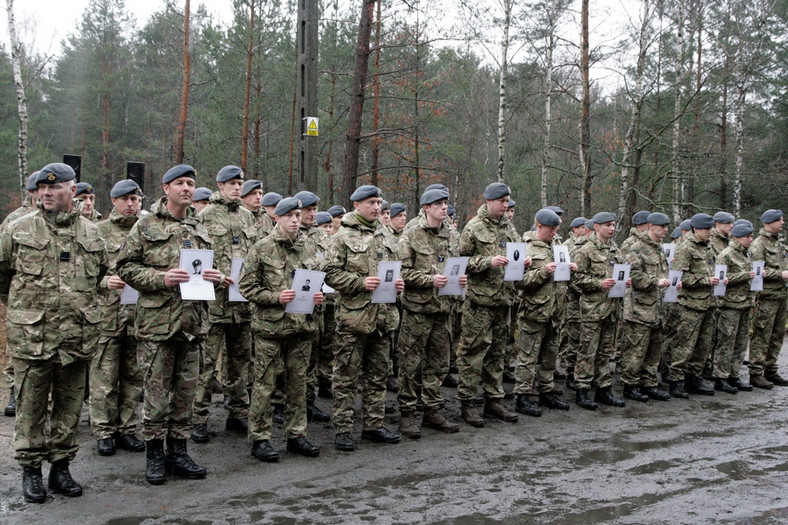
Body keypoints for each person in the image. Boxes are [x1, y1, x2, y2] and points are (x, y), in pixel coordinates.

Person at [0, 162, 108, 503]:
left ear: (71, 192)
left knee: (69, 405)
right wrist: (25, 310)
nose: (46, 193)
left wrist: (89, 310)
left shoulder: (92, 233)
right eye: (43, 188)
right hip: (33, 337)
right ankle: (31, 471)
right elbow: (3, 276)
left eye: (55, 188)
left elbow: (104, 277)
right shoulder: (19, 230)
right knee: (31, 407)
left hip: (76, 336)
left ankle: (61, 468)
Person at [116, 164, 223, 485]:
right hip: (157, 325)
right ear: (166, 188)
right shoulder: (145, 225)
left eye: (191, 183)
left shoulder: (200, 228)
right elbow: (125, 266)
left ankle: (179, 452)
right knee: (156, 393)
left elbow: (205, 271)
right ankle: (155, 455)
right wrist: (159, 278)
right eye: (180, 183)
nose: (187, 188)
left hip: (193, 324)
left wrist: (216, 279)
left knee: (185, 393)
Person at [239, 197, 323, 462]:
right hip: (270, 329)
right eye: (290, 215)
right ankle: (260, 438)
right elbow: (247, 287)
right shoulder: (262, 248)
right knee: (264, 385)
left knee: (298, 386)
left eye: (298, 215)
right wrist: (276, 297)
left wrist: (319, 297)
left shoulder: (309, 248)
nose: (296, 220)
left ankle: (296, 435)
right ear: (278, 218)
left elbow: (316, 283)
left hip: (301, 328)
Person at [324, 185, 404, 451]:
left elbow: (394, 268)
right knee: (346, 377)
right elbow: (330, 274)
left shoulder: (387, 235)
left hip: (383, 318)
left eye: (379, 202)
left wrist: (398, 283)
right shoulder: (342, 236)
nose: (377, 207)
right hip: (354, 319)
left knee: (378, 376)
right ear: (356, 205)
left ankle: (373, 425)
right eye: (371, 202)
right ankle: (343, 429)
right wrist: (360, 282)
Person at [191, 165, 256, 443]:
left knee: (240, 362)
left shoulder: (248, 217)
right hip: (215, 303)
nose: (236, 188)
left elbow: (254, 255)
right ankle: (198, 417)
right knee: (206, 365)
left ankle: (238, 413)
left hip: (242, 304)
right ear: (219, 185)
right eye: (231, 183)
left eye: (239, 183)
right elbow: (196, 257)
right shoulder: (204, 216)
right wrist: (216, 276)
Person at [396, 188, 463, 439]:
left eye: (445, 203)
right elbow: (402, 272)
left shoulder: (452, 235)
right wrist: (430, 280)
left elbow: (455, 264)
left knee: (439, 363)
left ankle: (433, 409)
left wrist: (459, 279)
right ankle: (407, 412)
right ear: (426, 207)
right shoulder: (411, 234)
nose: (444, 207)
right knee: (410, 363)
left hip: (443, 309)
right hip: (418, 310)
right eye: (438, 204)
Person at [90, 179, 146, 457]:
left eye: (135, 200)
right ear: (113, 201)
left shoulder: (147, 231)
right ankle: (103, 431)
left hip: (138, 317)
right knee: (104, 377)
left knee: (133, 376)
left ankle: (127, 428)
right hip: (107, 316)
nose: (131, 204)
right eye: (125, 199)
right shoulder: (97, 232)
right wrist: (104, 282)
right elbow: (85, 273)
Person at [456, 182, 520, 427]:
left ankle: (494, 399)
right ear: (489, 201)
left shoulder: (508, 226)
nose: (506, 206)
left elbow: (514, 251)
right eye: (502, 201)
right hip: (479, 303)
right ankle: (468, 403)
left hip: (503, 301)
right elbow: (461, 262)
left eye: (508, 201)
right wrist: (488, 261)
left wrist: (522, 261)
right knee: (474, 353)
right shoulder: (473, 227)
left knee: (498, 354)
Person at [513, 208, 573, 417]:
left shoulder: (558, 246)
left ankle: (546, 391)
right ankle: (522, 396)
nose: (555, 233)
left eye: (557, 229)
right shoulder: (526, 249)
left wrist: (569, 270)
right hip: (534, 311)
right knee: (528, 356)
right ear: (539, 226)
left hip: (555, 311)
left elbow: (563, 281)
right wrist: (543, 271)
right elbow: (519, 282)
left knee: (550, 356)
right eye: (551, 229)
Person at [570, 212, 629, 410]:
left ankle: (604, 389)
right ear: (596, 227)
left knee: (605, 352)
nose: (611, 228)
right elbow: (575, 279)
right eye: (607, 225)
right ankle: (582, 389)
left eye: (613, 225)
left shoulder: (615, 250)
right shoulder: (585, 250)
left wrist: (625, 281)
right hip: (593, 310)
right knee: (587, 351)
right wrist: (598, 283)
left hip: (612, 308)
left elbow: (621, 270)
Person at [662, 213, 722, 398]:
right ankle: (676, 381)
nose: (710, 233)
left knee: (704, 345)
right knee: (684, 345)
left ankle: (694, 378)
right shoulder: (685, 248)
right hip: (690, 305)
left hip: (708, 304)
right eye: (707, 229)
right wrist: (705, 280)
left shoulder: (708, 248)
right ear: (696, 229)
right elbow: (679, 277)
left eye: (711, 229)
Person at [619, 212, 673, 402]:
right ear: (651, 226)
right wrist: (656, 281)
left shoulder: (659, 249)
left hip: (657, 308)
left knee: (654, 350)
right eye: (662, 226)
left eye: (667, 226)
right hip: (639, 309)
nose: (666, 230)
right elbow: (634, 277)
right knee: (636, 349)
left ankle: (649, 383)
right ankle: (630, 384)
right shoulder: (636, 249)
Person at [1, 171, 41, 418]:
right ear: (30, 192)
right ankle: (14, 393)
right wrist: (11, 299)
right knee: (17, 351)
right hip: (20, 299)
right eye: (37, 189)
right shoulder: (15, 220)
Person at [292, 190, 332, 424]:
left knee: (312, 356)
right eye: (307, 210)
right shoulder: (292, 234)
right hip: (292, 306)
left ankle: (308, 402)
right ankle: (282, 403)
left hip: (317, 305)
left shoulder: (321, 236)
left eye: (314, 210)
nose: (312, 214)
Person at [712, 220, 756, 393]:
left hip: (745, 303)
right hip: (729, 304)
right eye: (747, 236)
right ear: (737, 238)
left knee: (740, 341)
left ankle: (734, 375)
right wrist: (745, 275)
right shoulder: (726, 254)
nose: (750, 239)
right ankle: (720, 377)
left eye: (751, 236)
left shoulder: (747, 254)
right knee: (726, 342)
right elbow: (721, 279)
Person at [748, 209, 788, 388]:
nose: (782, 222)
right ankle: (756, 372)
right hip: (766, 297)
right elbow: (757, 273)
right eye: (779, 220)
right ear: (769, 222)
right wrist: (781, 274)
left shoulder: (778, 243)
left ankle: (770, 370)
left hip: (781, 295)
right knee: (762, 335)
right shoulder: (759, 245)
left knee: (777, 335)